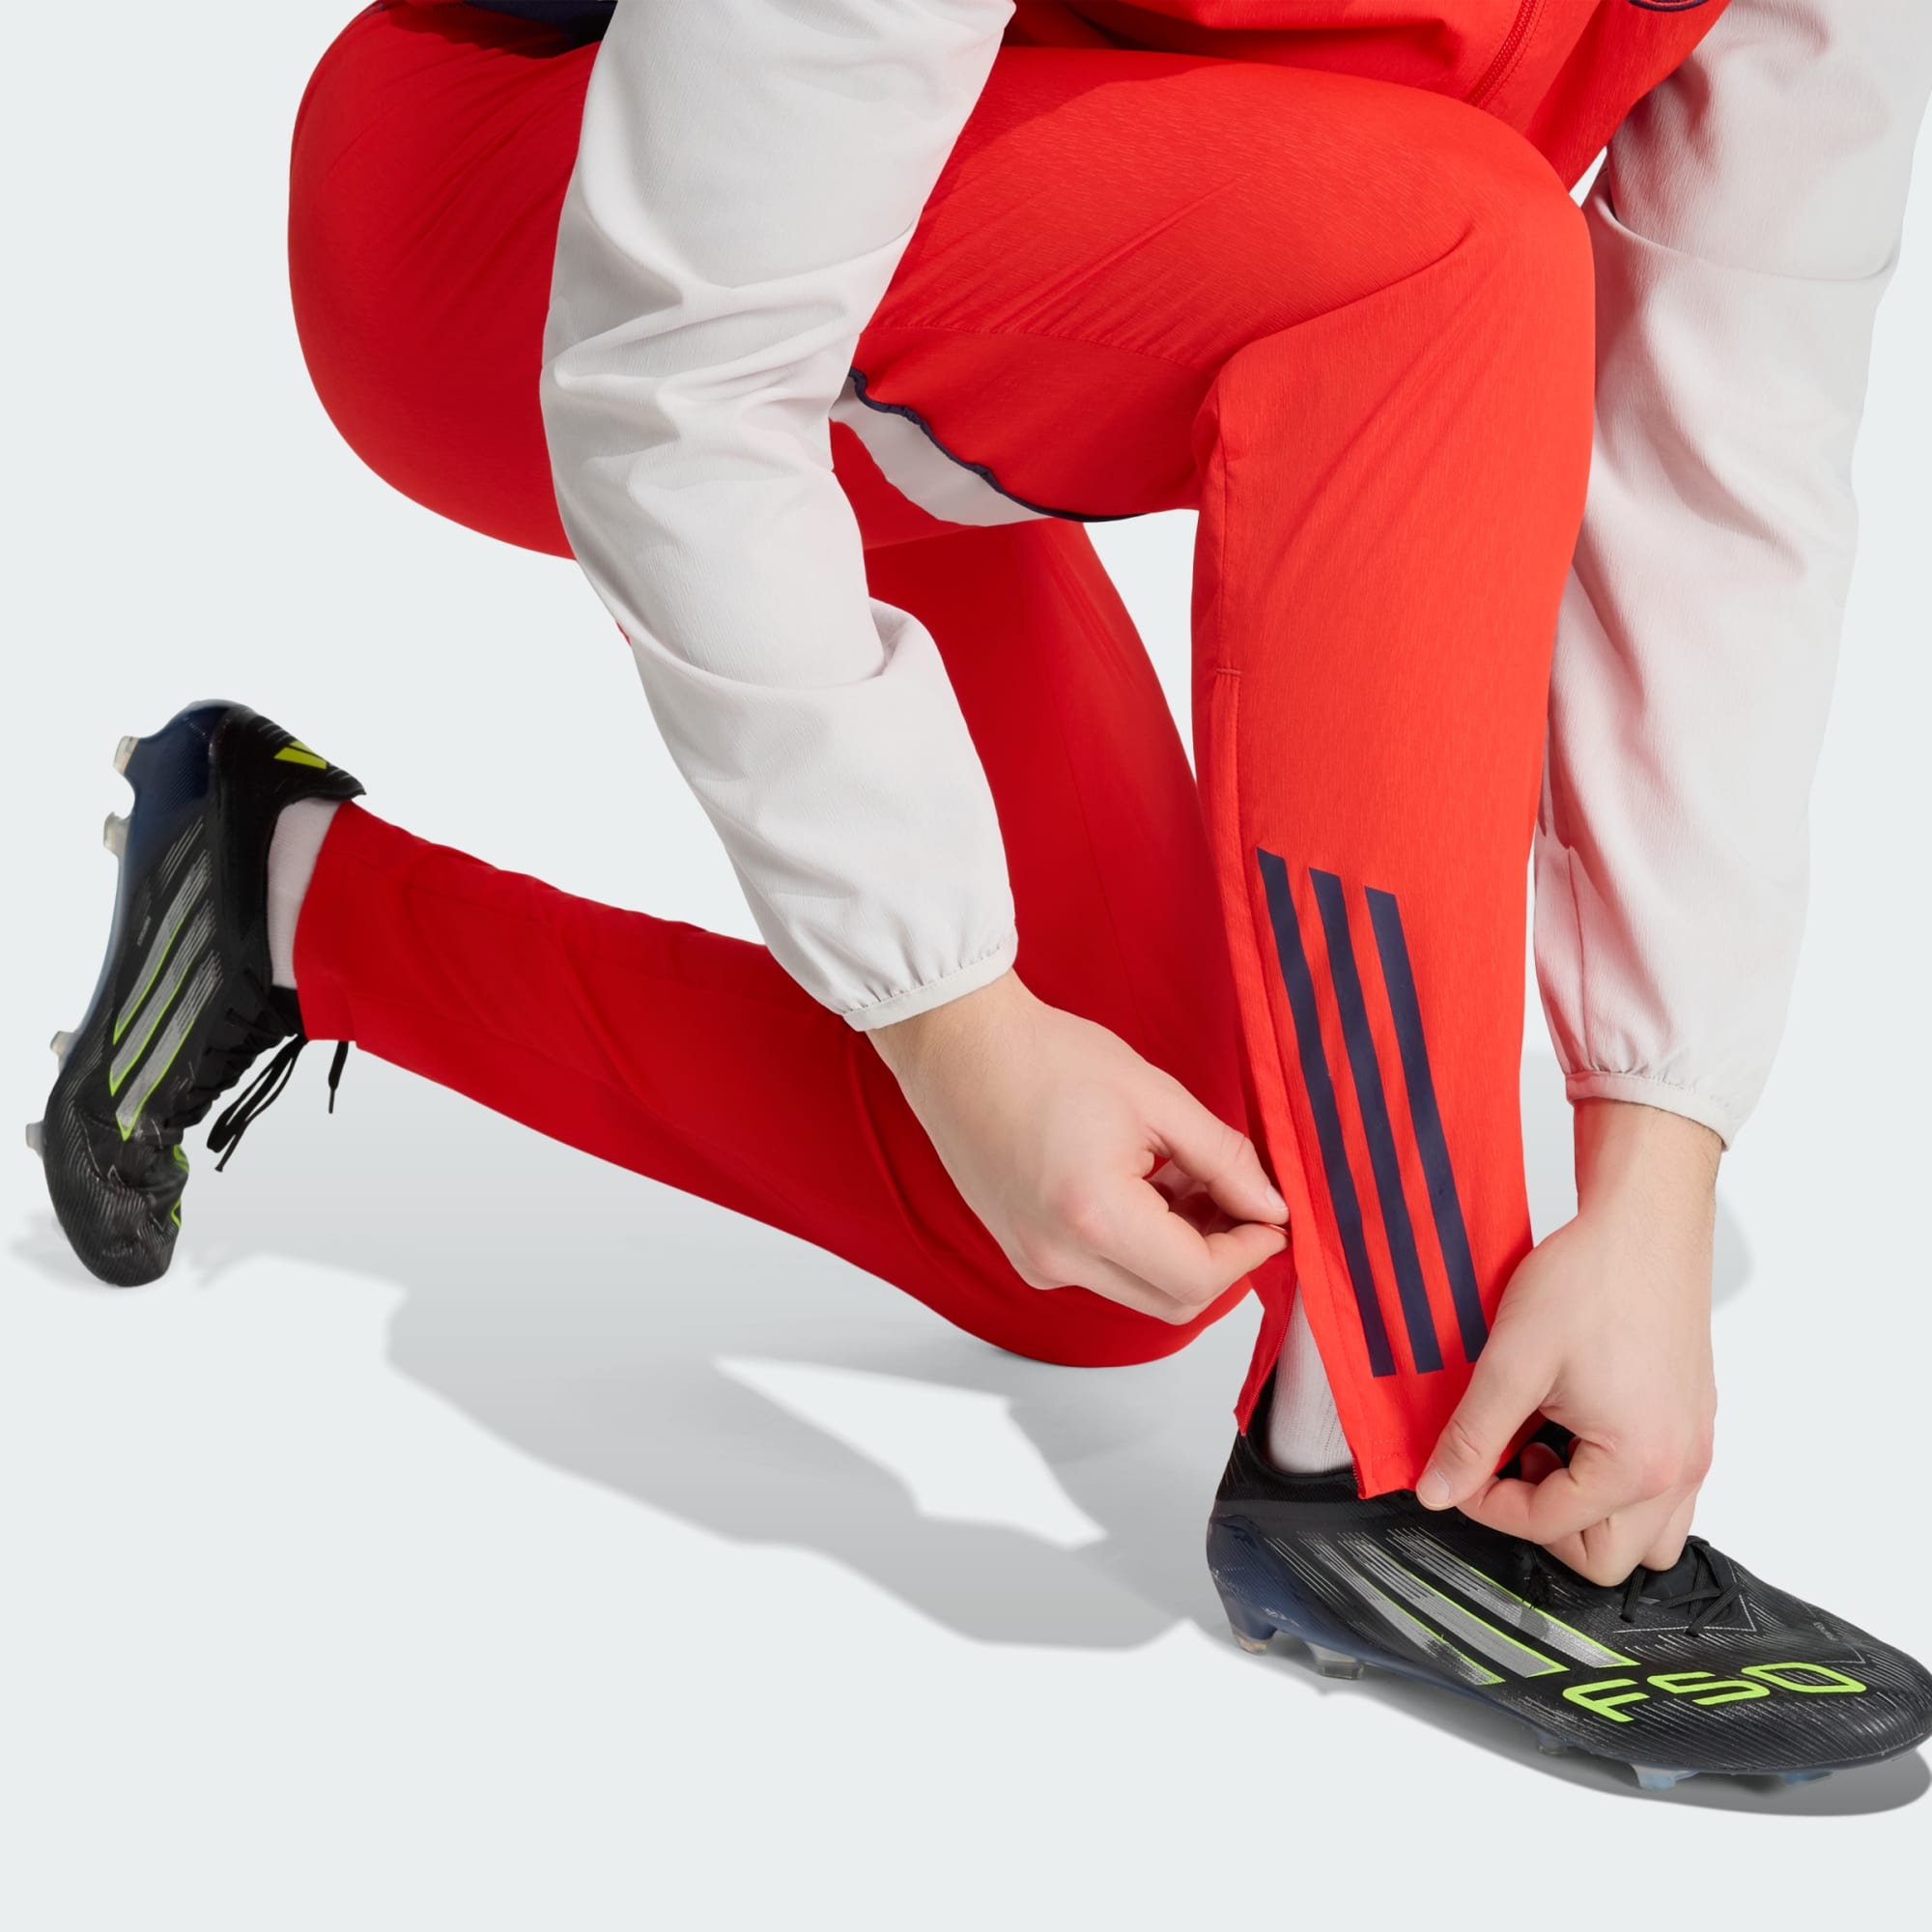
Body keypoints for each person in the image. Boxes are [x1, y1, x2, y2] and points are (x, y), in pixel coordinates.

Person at [28, 0, 1932, 1787]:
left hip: (952, 241)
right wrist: (947, 1015)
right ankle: (1399, 1445)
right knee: (1447, 257)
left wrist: (1654, 1176)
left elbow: (1726, 454)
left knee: (1115, 1229)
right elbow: (677, 375)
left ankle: (277, 895)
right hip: (536, 211)